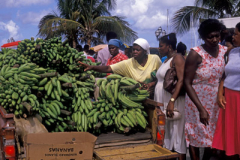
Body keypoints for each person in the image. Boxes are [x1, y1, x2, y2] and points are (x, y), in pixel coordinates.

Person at [184, 19, 227, 160]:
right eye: (210, 37)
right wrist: (200, 108)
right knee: (195, 135)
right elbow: (187, 82)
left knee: (212, 137)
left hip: (216, 101)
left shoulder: (225, 51)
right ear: (203, 37)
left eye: (217, 36)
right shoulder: (195, 53)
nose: (215, 39)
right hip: (196, 101)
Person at [79, 38, 161, 92]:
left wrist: (151, 84)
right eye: (133, 50)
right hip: (136, 95)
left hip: (154, 95)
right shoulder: (129, 62)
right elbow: (108, 68)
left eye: (137, 50)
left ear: (145, 51)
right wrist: (92, 67)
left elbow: (162, 76)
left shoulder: (154, 59)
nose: (134, 52)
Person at [155, 33, 186, 160]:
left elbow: (181, 80)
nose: (159, 48)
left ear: (169, 46)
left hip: (173, 99)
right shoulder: (166, 60)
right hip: (163, 99)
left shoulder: (177, 58)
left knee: (177, 132)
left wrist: (172, 101)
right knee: (168, 132)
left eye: (161, 46)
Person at [212, 22, 240, 160]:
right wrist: (220, 93)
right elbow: (225, 74)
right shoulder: (232, 52)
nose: (232, 36)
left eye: (235, 33)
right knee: (231, 135)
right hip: (228, 97)